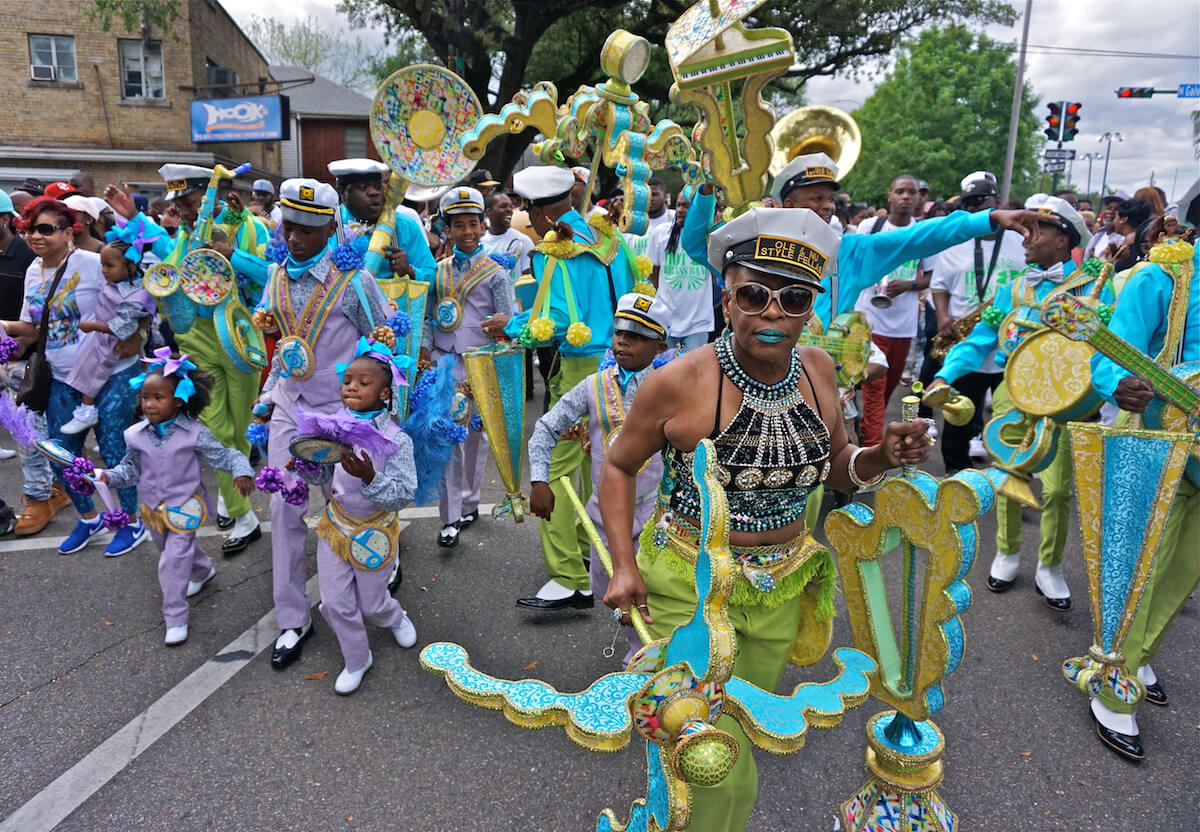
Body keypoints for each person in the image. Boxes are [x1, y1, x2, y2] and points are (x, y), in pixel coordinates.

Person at [599, 207, 933, 832]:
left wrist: (883, 455)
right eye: (755, 294)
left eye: (794, 298)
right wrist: (622, 565)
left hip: (780, 586)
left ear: (812, 307)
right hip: (688, 586)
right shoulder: (676, 383)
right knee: (706, 752)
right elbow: (618, 467)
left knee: (737, 735)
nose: (772, 313)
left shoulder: (820, 370)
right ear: (727, 300)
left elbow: (837, 468)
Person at [930, 195, 1109, 610]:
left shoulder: (1094, 285)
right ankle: (1007, 553)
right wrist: (945, 375)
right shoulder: (1014, 288)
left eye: (1037, 230)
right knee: (1009, 480)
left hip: (1067, 401)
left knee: (1058, 488)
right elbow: (980, 341)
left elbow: (1109, 344)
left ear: (1063, 240)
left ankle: (1050, 565)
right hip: (1014, 393)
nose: (1025, 237)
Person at [253, 178, 394, 669]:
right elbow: (286, 346)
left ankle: (367, 592)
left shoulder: (354, 281)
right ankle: (292, 618)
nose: (295, 237)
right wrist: (269, 394)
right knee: (283, 508)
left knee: (353, 507)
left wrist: (376, 407)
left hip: (343, 412)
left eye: (309, 229)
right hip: (292, 405)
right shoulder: (274, 277)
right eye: (289, 225)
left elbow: (387, 337)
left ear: (332, 228)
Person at [682, 152, 1043, 337]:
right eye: (816, 198)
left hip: (815, 381)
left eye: (829, 199)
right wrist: (706, 191)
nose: (827, 206)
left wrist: (988, 219)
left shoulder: (849, 252)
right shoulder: (751, 246)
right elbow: (697, 246)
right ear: (788, 204)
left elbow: (917, 238)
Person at [105, 165, 267, 553]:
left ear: (208, 196)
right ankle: (245, 517)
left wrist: (233, 253)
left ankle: (232, 497)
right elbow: (160, 253)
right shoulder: (179, 236)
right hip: (195, 345)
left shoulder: (248, 226)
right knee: (216, 431)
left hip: (239, 340)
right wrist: (133, 216)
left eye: (190, 202)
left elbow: (268, 274)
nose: (186, 211)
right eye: (179, 205)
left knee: (241, 430)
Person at [1085, 215, 1198, 762]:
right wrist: (1117, 382)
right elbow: (1108, 352)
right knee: (1145, 566)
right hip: (1167, 447)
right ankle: (1115, 682)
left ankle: (1140, 653)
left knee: (1185, 572)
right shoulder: (1166, 278)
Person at [505, 165, 638, 610]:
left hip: (581, 365)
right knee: (595, 460)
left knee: (556, 468)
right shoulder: (609, 238)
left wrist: (512, 326)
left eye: (528, 211)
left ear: (538, 212)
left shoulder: (556, 249)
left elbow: (557, 320)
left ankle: (570, 577)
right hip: (621, 360)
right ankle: (585, 544)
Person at [527, 292, 668, 659]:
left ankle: (643, 663)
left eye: (636, 336)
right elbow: (545, 429)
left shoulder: (672, 388)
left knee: (651, 595)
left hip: (658, 515)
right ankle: (639, 648)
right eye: (620, 332)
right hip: (604, 515)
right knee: (612, 591)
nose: (623, 341)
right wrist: (539, 480)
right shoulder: (592, 387)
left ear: (659, 345)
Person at [5, 197, 147, 554]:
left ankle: (131, 522)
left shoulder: (92, 263)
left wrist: (139, 332)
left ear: (69, 232)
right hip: (62, 377)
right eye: (31, 229)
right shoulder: (34, 272)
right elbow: (33, 327)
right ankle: (89, 519)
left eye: (46, 229)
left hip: (111, 372)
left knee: (115, 452)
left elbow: (138, 290)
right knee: (61, 455)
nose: (36, 236)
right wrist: (4, 328)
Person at [98, 354, 254, 646]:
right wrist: (107, 477)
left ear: (179, 400)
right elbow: (129, 469)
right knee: (169, 550)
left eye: (158, 397)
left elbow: (225, 455)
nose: (149, 404)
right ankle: (202, 569)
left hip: (185, 508)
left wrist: (242, 471)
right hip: (152, 511)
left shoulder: (194, 433)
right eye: (145, 397)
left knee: (171, 561)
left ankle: (175, 618)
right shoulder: (134, 435)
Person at [295, 338, 419, 694]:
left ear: (384, 394)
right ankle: (356, 657)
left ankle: (394, 617)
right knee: (333, 602)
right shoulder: (330, 426)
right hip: (335, 527)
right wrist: (305, 464)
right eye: (348, 379)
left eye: (364, 382)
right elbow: (321, 475)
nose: (351, 385)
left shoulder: (397, 440)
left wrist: (370, 478)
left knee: (373, 603)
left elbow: (403, 494)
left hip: (375, 533)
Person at [419, 187, 516, 548]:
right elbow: (429, 315)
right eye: (459, 226)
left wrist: (502, 327)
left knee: (475, 437)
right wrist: (426, 349)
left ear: (482, 225)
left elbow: (511, 320)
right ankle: (450, 517)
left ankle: (471, 501)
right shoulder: (437, 271)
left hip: (481, 363)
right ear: (448, 229)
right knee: (448, 437)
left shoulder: (496, 272)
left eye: (473, 224)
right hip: (445, 364)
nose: (468, 232)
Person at [927, 171, 1026, 473]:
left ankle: (1014, 476)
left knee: (1015, 416)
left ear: (997, 202)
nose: (974, 210)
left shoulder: (1021, 241)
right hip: (965, 338)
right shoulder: (954, 241)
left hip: (1012, 343)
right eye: (968, 205)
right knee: (959, 414)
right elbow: (939, 285)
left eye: (980, 203)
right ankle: (956, 473)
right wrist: (943, 316)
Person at [853, 174, 933, 445]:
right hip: (869, 321)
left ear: (918, 198)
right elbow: (851, 263)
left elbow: (932, 277)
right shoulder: (869, 226)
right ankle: (871, 449)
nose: (906, 196)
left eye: (912, 192)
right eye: (900, 191)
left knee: (885, 392)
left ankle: (867, 429)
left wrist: (909, 285)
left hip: (903, 327)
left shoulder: (923, 233)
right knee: (874, 390)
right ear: (890, 196)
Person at [60, 217, 157, 436]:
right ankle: (88, 410)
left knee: (94, 369)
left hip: (113, 343)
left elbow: (122, 328)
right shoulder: (118, 282)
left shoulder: (137, 294)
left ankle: (87, 410)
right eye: (102, 265)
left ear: (132, 266)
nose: (103, 271)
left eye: (109, 266)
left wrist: (93, 326)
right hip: (103, 339)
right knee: (86, 366)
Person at [326, 158, 437, 283]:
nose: (374, 192)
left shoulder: (406, 226)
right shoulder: (327, 227)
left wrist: (410, 271)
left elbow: (432, 277)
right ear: (342, 192)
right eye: (363, 188)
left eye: (378, 187)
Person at [647, 189, 713, 354]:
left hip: (698, 323)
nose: (680, 210)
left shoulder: (709, 236)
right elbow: (653, 275)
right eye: (678, 205)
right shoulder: (661, 233)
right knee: (663, 370)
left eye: (686, 205)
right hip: (665, 319)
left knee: (693, 375)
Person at [481, 190, 535, 282]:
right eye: (503, 206)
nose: (509, 210)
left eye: (511, 206)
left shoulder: (523, 241)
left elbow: (530, 281)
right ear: (489, 212)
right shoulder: (480, 243)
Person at [1083, 192, 1129, 259]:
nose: (1111, 212)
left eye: (1117, 209)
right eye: (1109, 208)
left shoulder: (1124, 239)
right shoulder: (1098, 235)